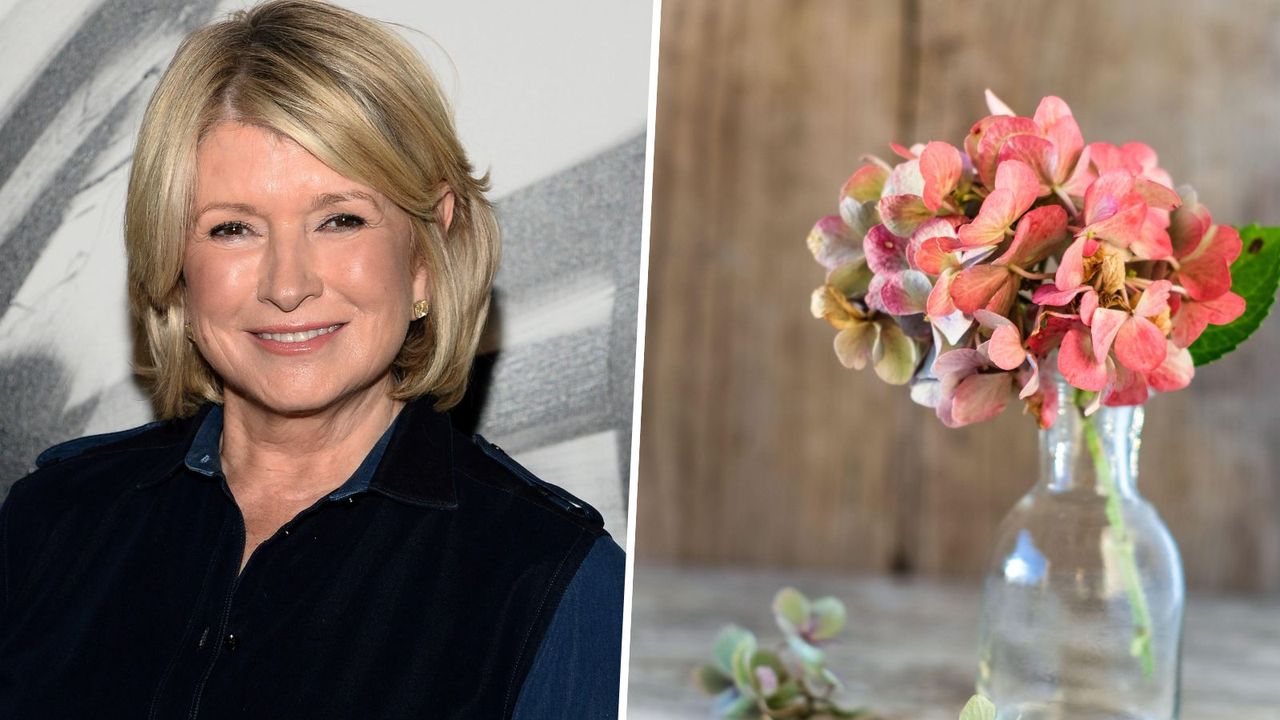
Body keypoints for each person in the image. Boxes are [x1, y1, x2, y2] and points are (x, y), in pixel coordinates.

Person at [0, 1, 624, 718]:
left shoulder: (555, 582)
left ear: (425, 252)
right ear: (175, 259)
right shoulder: (50, 521)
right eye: (233, 228)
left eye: (340, 220)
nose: (288, 285)